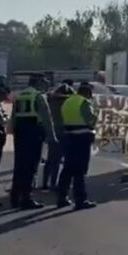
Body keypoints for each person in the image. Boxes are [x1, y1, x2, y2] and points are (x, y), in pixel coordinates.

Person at [11, 76, 58, 209]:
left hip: (20, 132)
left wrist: (15, 133)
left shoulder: (20, 96)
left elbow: (13, 117)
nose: (45, 86)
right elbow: (47, 118)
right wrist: (52, 137)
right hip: (34, 132)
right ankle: (27, 198)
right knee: (31, 166)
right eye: (43, 83)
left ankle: (15, 197)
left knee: (19, 165)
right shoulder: (38, 96)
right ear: (37, 83)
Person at [55, 82, 98, 210]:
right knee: (80, 170)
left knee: (67, 169)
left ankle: (62, 197)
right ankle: (80, 199)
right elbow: (90, 120)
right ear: (88, 93)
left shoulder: (68, 101)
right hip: (82, 136)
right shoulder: (83, 102)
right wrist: (96, 117)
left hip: (68, 136)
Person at [43, 80, 74, 191]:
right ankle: (54, 184)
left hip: (52, 132)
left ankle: (46, 183)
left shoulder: (50, 101)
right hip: (65, 133)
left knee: (51, 160)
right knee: (63, 160)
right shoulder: (68, 102)